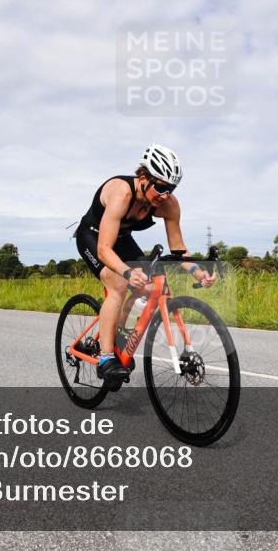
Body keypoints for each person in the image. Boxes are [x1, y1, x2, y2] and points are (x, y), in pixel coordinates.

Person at [75, 144, 215, 386]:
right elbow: (104, 250)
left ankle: (117, 333)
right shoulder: (122, 193)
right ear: (143, 178)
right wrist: (127, 272)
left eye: (170, 189)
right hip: (94, 237)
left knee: (149, 288)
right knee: (118, 282)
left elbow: (179, 250)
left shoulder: (168, 205)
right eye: (161, 187)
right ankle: (106, 357)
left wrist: (199, 272)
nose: (165, 195)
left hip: (122, 239)